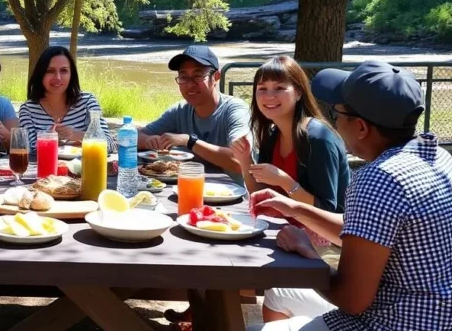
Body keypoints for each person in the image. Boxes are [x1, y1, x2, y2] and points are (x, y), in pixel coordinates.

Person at [245, 61, 452, 331]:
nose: (333, 121)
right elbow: (368, 230)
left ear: (361, 128)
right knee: (280, 293)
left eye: (337, 113)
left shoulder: (378, 179)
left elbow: (352, 300)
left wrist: (312, 257)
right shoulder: (436, 157)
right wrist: (295, 207)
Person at [230, 55, 349, 248]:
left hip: (325, 245)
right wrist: (245, 160)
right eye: (262, 89)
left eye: (279, 88)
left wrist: (284, 181)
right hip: (283, 232)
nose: (269, 96)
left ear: (299, 92)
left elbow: (328, 210)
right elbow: (260, 195)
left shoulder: (318, 139)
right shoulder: (272, 135)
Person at [138, 44, 249, 180]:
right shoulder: (179, 111)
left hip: (233, 196)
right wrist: (149, 140)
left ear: (216, 77)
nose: (190, 85)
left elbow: (241, 162)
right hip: (188, 189)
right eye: (183, 77)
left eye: (197, 76)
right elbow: (135, 136)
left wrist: (189, 141)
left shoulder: (235, 110)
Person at [17, 45, 112, 149]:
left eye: (64, 71)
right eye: (50, 71)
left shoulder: (87, 102)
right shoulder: (28, 110)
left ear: (71, 74)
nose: (58, 77)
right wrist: (50, 137)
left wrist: (76, 135)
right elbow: (27, 150)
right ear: (40, 74)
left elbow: (110, 145)